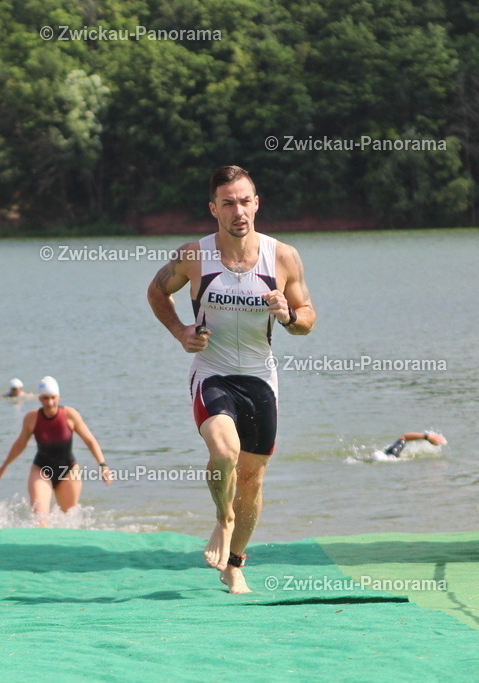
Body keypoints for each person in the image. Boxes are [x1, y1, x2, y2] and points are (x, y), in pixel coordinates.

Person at [147, 165, 315, 594]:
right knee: (224, 450)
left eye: (244, 201)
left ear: (256, 203)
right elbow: (156, 291)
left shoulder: (283, 257)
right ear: (214, 209)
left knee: (252, 480)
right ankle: (223, 518)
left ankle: (235, 564)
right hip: (213, 373)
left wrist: (288, 316)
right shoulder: (194, 256)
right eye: (228, 203)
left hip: (260, 379)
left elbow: (307, 319)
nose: (238, 211)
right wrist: (180, 332)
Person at [0, 376, 111, 525]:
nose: (49, 403)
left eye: (53, 398)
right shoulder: (31, 418)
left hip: (68, 471)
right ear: (39, 399)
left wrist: (102, 465)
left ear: (58, 397)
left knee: (69, 521)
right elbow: (20, 444)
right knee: (40, 520)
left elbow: (90, 441)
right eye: (45, 398)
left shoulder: (70, 415)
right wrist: (3, 467)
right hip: (41, 470)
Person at [382, 431, 447, 458]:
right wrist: (427, 437)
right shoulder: (392, 453)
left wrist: (427, 437)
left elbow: (404, 437)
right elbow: (404, 437)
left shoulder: (392, 452)